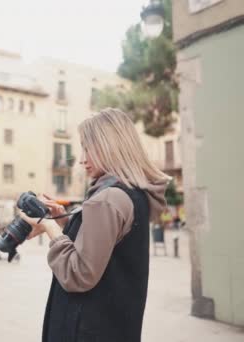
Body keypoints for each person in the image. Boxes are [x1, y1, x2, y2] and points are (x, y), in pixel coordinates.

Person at [21, 108, 169, 342]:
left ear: (109, 146)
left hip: (86, 330)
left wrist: (50, 229)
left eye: (87, 147)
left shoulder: (108, 198)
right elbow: (108, 249)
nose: (81, 159)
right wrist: (65, 221)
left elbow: (79, 274)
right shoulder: (133, 194)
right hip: (116, 327)